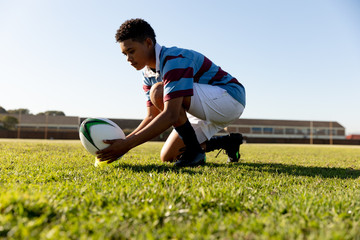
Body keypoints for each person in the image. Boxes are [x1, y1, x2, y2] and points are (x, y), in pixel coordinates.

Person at [97, 18, 246, 167]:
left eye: (131, 51)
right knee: (169, 156)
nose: (129, 59)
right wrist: (122, 145)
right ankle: (228, 142)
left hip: (230, 98)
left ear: (148, 43)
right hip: (202, 106)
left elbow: (171, 114)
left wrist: (126, 145)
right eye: (125, 54)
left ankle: (195, 152)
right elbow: (151, 116)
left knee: (159, 91)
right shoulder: (148, 74)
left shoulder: (173, 59)